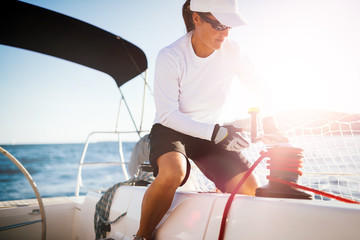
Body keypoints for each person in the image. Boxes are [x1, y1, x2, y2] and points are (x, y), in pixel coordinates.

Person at [133, 0, 287, 239]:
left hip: (211, 131)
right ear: (196, 18)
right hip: (171, 128)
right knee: (173, 172)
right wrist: (217, 133)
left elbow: (259, 87)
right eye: (219, 25)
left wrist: (268, 118)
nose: (225, 33)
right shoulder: (170, 56)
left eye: (229, 27)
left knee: (250, 188)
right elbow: (167, 114)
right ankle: (141, 235)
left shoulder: (233, 51)